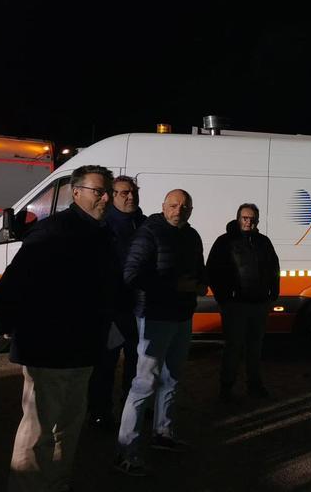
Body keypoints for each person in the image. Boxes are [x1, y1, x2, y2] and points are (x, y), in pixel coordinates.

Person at [0, 165, 119, 492]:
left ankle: (55, 484)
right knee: (39, 429)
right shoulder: (55, 231)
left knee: (67, 427)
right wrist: (8, 325)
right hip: (49, 348)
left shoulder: (101, 233)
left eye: (108, 191)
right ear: (75, 192)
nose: (105, 197)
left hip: (83, 348)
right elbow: (13, 284)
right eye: (98, 191)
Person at [115, 189, 207, 476]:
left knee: (172, 378)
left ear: (191, 209)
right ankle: (125, 452)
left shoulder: (192, 236)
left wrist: (201, 284)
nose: (179, 210)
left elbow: (199, 269)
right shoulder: (149, 233)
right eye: (174, 205)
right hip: (154, 317)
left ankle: (163, 434)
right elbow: (131, 275)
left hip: (182, 316)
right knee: (144, 384)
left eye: (184, 206)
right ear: (164, 206)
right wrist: (173, 286)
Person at [88, 175, 146, 429]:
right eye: (124, 193)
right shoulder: (101, 227)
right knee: (106, 365)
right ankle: (100, 413)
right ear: (111, 196)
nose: (131, 196)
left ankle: (130, 412)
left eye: (133, 191)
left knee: (137, 364)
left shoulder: (144, 224)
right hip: (111, 310)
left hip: (139, 309)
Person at [207, 203, 280, 402]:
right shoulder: (225, 242)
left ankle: (254, 385)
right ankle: (226, 388)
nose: (249, 222)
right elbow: (212, 270)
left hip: (259, 304)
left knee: (255, 347)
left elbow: (274, 267)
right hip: (235, 305)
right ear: (238, 218)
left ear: (257, 220)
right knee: (233, 347)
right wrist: (223, 298)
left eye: (253, 218)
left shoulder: (263, 242)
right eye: (245, 218)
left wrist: (273, 293)